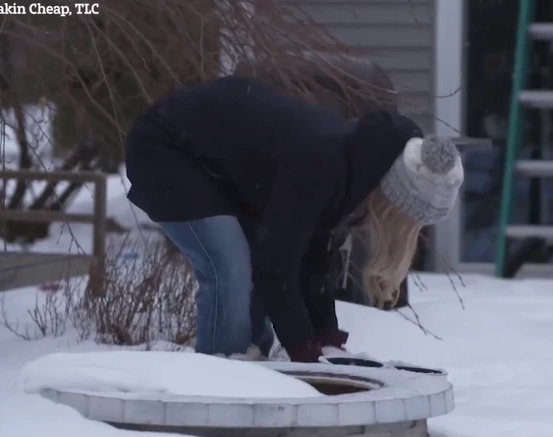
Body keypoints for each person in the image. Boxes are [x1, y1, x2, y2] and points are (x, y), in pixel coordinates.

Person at [123, 74, 464, 363]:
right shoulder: (324, 165)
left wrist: (325, 338)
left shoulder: (358, 167)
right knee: (230, 267)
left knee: (255, 265)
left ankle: (251, 366)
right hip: (166, 147)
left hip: (219, 167)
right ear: (396, 200)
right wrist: (304, 350)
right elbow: (277, 267)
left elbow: (312, 260)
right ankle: (220, 379)